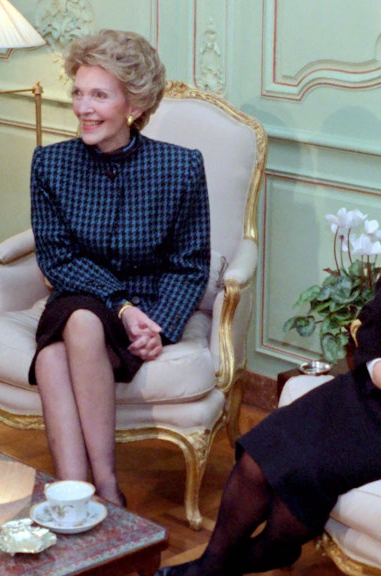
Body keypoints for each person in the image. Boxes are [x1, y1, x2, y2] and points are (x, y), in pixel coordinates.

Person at [29, 30, 211, 506]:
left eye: (99, 95)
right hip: (74, 294)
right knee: (84, 319)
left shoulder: (180, 168)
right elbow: (57, 259)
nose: (83, 108)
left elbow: (189, 264)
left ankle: (73, 495)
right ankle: (106, 489)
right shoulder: (50, 164)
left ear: (134, 104)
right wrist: (122, 305)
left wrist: (159, 326)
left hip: (149, 306)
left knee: (52, 358)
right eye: (78, 92)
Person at [156, 282, 381, 576]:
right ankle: (213, 563)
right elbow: (373, 323)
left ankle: (223, 565)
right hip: (365, 393)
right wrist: (375, 360)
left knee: (305, 484)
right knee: (260, 455)